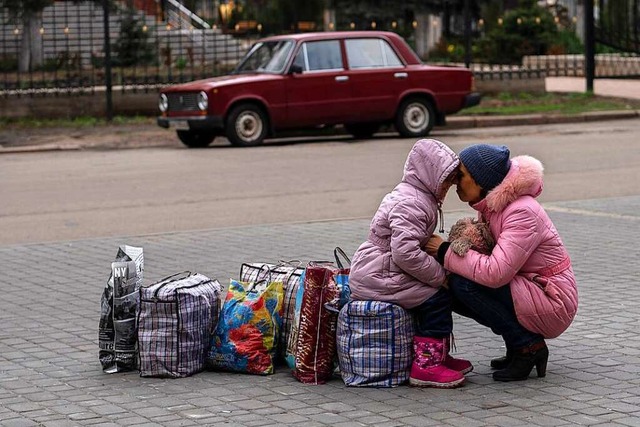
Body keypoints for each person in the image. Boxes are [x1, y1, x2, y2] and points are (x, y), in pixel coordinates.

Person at [425, 144, 578, 382]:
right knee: (453, 286)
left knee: (464, 286)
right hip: (533, 287)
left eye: (462, 175)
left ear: (481, 181)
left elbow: (496, 273)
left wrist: (444, 251)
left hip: (553, 298)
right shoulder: (494, 206)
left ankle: (528, 347)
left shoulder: (521, 212)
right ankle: (516, 343)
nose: (456, 182)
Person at [348, 138, 472, 388]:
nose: (449, 187)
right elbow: (405, 253)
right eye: (446, 180)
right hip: (379, 273)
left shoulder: (415, 195)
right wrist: (440, 276)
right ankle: (427, 366)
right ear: (431, 176)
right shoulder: (412, 203)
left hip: (382, 268)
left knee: (432, 296)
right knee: (436, 298)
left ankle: (437, 355)